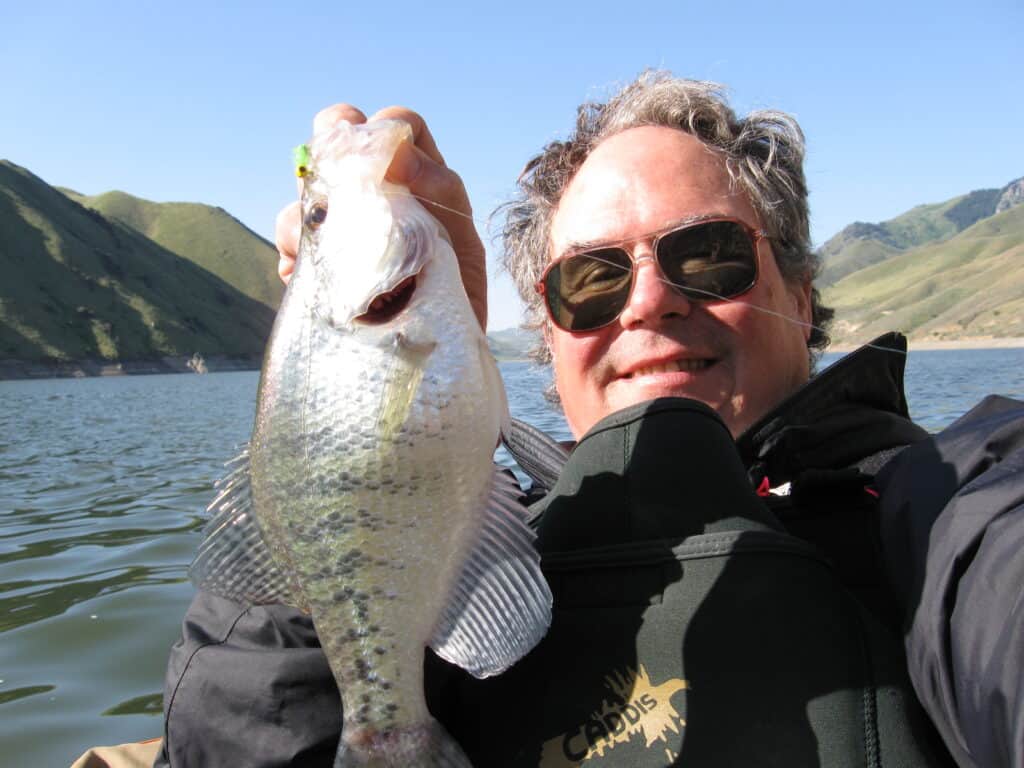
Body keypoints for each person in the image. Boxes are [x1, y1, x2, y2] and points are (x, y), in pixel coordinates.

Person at [150, 72, 1023, 767]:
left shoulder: (953, 498)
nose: (647, 300)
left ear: (801, 291)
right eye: (592, 279)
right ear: (548, 335)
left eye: (709, 255)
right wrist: (322, 427)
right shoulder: (474, 531)